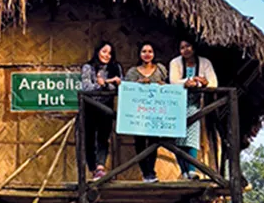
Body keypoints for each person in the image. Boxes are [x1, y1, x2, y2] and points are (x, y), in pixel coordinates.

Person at [168, 40, 219, 179]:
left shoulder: (204, 63)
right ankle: (184, 171)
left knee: (192, 135)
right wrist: (187, 81)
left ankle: (191, 170)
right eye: (182, 47)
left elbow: (213, 83)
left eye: (188, 46)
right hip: (176, 102)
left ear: (194, 48)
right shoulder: (175, 63)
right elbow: (173, 81)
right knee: (178, 139)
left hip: (194, 103)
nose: (185, 50)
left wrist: (204, 83)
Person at [123, 41, 170, 182]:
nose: (147, 54)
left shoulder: (160, 70)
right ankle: (145, 172)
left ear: (154, 54)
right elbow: (127, 91)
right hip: (138, 113)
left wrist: (163, 86)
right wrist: (137, 84)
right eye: (144, 51)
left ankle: (151, 171)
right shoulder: (132, 72)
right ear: (139, 54)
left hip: (155, 112)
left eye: (150, 51)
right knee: (140, 142)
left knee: (153, 142)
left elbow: (169, 86)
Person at [80, 41, 125, 180]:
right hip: (90, 107)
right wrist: (106, 84)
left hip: (106, 108)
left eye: (110, 53)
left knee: (103, 138)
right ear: (98, 52)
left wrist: (105, 83)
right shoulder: (88, 67)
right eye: (104, 52)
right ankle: (93, 168)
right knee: (89, 139)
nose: (107, 55)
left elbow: (120, 86)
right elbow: (87, 87)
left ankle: (100, 167)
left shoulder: (115, 68)